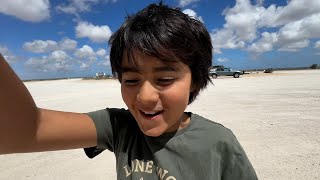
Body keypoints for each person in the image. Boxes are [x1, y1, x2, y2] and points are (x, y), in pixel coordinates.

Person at [0, 2, 257, 180]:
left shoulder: (219, 142)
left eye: (165, 78)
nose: (144, 97)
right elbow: (23, 131)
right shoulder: (120, 128)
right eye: (131, 80)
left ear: (195, 80)